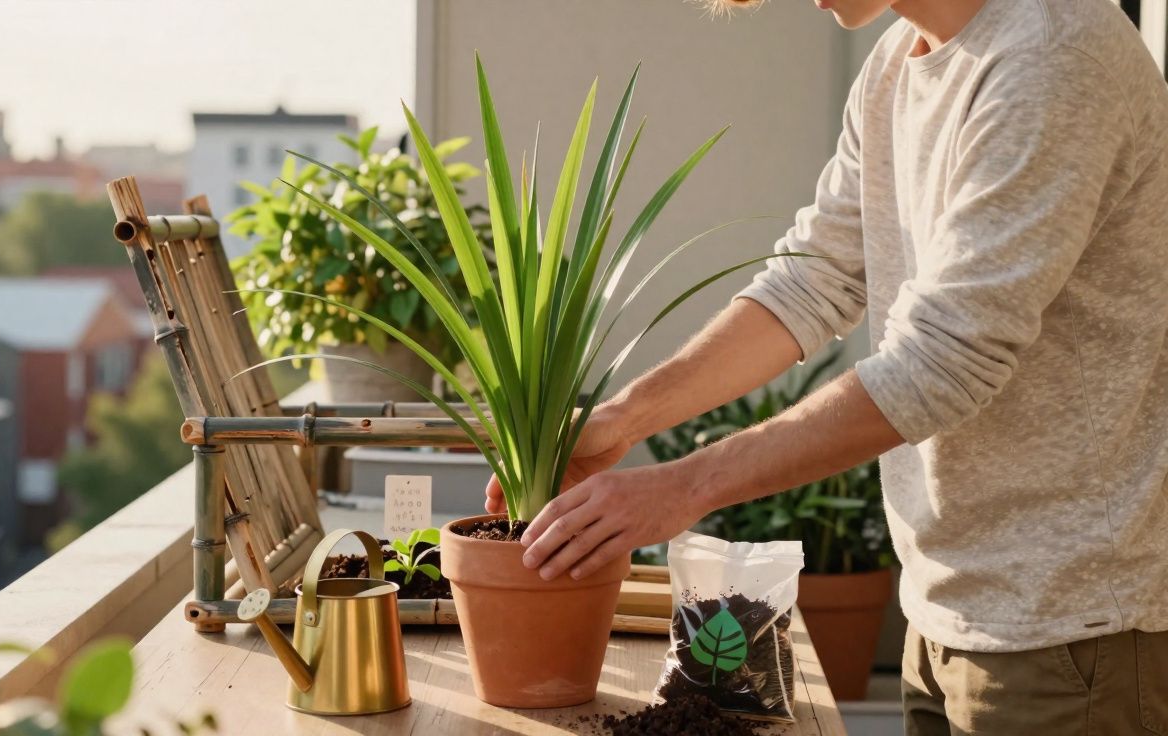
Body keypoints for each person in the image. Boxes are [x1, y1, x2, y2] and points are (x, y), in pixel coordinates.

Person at [486, 0, 1168, 732]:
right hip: (947, 608)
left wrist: (684, 487)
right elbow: (813, 283)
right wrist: (624, 420)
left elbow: (945, 361)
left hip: (1070, 627)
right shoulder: (892, 68)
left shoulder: (1054, 54)